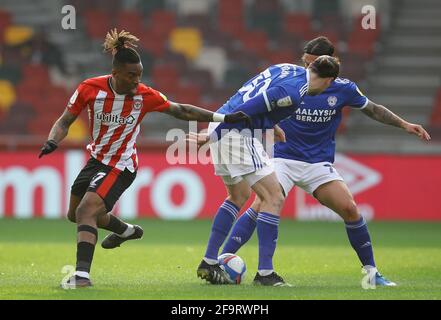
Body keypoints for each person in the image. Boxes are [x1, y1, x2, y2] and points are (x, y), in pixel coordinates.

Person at [38, 29, 250, 288]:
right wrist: (52, 140)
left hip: (122, 165)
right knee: (75, 214)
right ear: (115, 73)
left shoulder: (144, 95)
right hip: (96, 160)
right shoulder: (89, 89)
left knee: (86, 211)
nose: (136, 81)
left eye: (139, 75)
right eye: (131, 76)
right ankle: (125, 230)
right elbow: (65, 120)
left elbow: (181, 110)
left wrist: (224, 118)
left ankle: (81, 276)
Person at [221, 36, 431, 286]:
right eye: (306, 64)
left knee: (350, 209)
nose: (308, 71)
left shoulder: (344, 89)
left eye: (313, 65)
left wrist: (404, 124)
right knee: (263, 204)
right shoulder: (290, 80)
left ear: (331, 63)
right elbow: (259, 104)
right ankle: (232, 259)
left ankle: (372, 274)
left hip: (318, 164)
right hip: (284, 158)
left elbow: (373, 109)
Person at [193, 55, 341, 286]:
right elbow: (248, 107)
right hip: (235, 132)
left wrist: (270, 125)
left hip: (223, 123)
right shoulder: (294, 92)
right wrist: (212, 135)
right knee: (273, 196)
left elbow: (252, 94)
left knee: (238, 196)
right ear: (328, 80)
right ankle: (265, 273)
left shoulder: (284, 68)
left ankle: (209, 261)